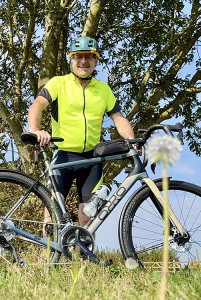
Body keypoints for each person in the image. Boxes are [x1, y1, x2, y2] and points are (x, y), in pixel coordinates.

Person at [28, 36, 137, 227]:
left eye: (89, 57)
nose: (83, 61)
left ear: (96, 60)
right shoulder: (58, 83)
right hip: (63, 156)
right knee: (53, 213)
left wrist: (132, 140)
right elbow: (37, 104)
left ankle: (85, 256)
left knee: (88, 218)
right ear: (71, 59)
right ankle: (49, 255)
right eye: (78, 56)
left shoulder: (103, 90)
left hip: (91, 160)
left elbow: (118, 118)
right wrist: (35, 130)